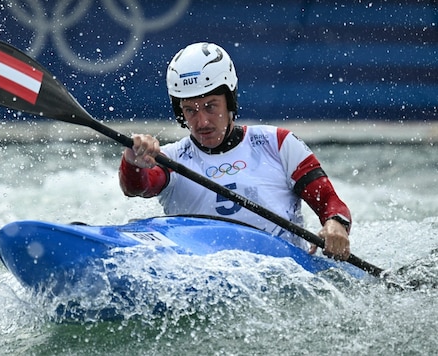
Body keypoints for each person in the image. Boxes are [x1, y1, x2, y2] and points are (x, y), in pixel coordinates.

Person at [118, 42, 352, 260]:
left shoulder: (278, 143)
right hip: (201, 269)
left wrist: (335, 223)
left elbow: (329, 201)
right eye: (190, 110)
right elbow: (137, 187)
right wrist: (133, 161)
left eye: (210, 106)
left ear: (230, 100)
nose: (201, 122)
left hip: (280, 273)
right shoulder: (170, 159)